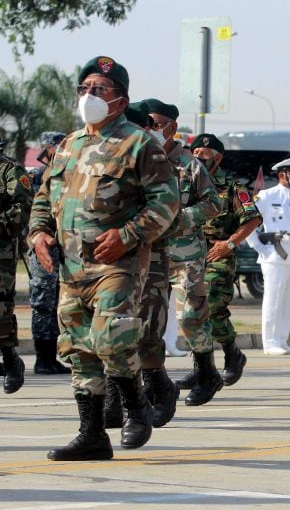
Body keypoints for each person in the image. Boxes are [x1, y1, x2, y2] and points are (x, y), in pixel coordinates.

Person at [29, 56, 179, 460]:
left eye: (99, 89)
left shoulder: (138, 143)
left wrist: (129, 235)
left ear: (120, 99)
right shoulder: (68, 145)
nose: (89, 96)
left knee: (112, 337)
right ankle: (92, 433)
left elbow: (167, 202)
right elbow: (44, 198)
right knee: (79, 349)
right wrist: (39, 233)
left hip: (118, 264)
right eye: (84, 89)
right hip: (71, 267)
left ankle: (136, 408)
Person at [101, 98, 180, 429]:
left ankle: (160, 388)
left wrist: (140, 228)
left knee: (145, 332)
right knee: (111, 331)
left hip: (153, 259)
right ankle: (116, 401)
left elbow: (171, 213)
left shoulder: (159, 163)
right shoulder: (103, 161)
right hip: (111, 263)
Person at [144, 101, 223, 409]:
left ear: (171, 128)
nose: (150, 129)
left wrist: (182, 218)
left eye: (156, 123)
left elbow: (213, 203)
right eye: (146, 124)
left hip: (184, 254)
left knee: (190, 316)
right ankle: (155, 384)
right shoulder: (142, 160)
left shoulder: (189, 164)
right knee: (149, 321)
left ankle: (207, 373)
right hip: (149, 253)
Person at [176, 133, 260, 394]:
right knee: (190, 311)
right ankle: (201, 368)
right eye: (196, 151)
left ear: (218, 157)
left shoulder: (234, 188)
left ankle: (231, 353)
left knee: (211, 307)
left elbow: (253, 219)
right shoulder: (185, 184)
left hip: (217, 255)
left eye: (205, 152)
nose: (199, 155)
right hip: (189, 255)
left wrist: (230, 244)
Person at [246, 157, 290, 356]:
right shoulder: (266, 196)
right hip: (274, 255)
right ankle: (270, 342)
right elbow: (247, 224)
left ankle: (282, 339)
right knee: (273, 299)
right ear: (282, 175)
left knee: (288, 300)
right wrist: (260, 248)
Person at [25, 131, 70, 375]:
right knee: (43, 303)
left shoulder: (66, 176)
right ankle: (43, 359)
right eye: (56, 148)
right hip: (43, 250)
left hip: (63, 248)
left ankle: (52, 358)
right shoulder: (36, 178)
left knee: (57, 304)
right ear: (48, 149)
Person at [0, 145, 33, 393]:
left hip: (2, 249)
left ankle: (10, 359)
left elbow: (23, 207)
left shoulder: (10, 171)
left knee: (0, 308)